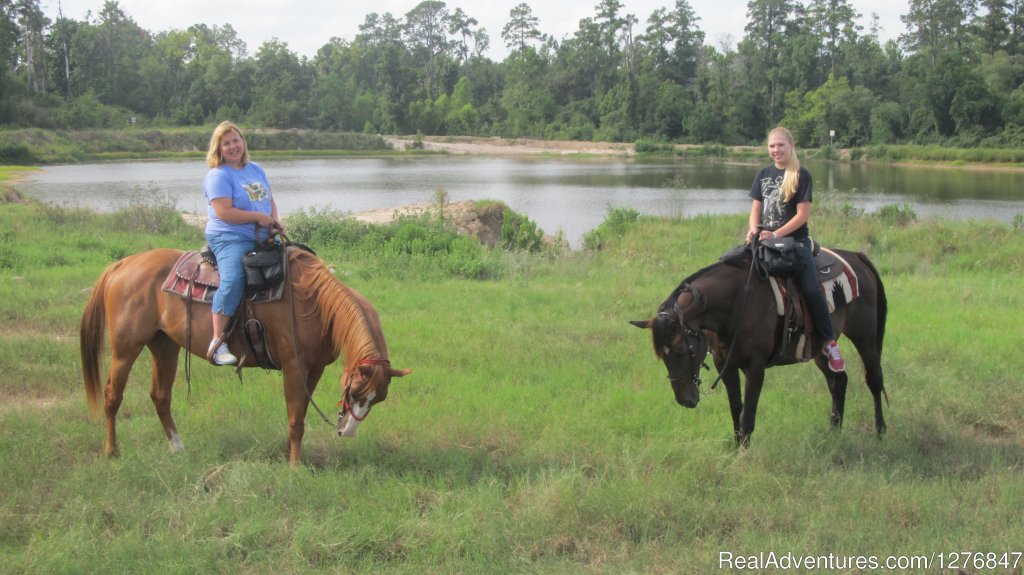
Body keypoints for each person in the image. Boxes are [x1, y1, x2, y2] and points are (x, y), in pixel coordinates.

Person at [745, 127, 845, 372]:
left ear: (791, 146)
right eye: (772, 146)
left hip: (795, 244)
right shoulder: (763, 174)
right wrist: (752, 230)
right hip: (765, 241)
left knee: (811, 289)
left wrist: (776, 233)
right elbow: (756, 210)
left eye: (780, 145)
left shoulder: (801, 175)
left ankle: (828, 342)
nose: (776, 150)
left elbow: (802, 215)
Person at [203, 121, 284, 365]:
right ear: (218, 148)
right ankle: (217, 342)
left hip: (260, 234)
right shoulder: (218, 176)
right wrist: (259, 218)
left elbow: (269, 199)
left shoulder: (255, 169)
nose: (232, 146)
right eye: (225, 143)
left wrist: (275, 221)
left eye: (235, 140)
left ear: (243, 141)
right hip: (229, 236)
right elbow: (224, 212)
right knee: (234, 279)